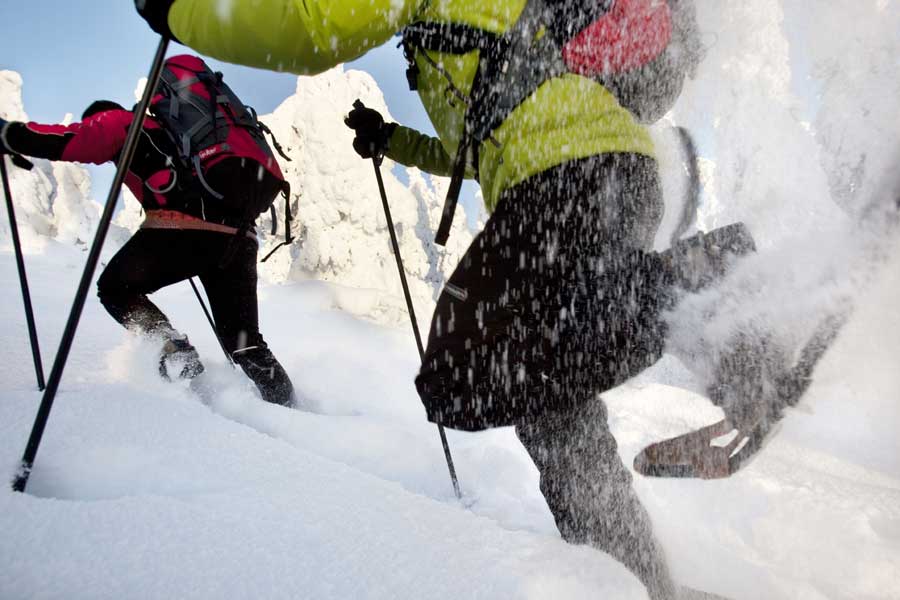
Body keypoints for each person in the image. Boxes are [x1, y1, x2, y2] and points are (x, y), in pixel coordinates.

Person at [133, 2, 744, 598]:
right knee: (546, 404)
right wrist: (391, 138)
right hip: (588, 174)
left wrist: (181, 11)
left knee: (465, 371)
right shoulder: (455, 36)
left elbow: (308, 26)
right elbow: (479, 152)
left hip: (571, 175)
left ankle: (719, 279)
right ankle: (636, 582)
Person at [0, 79, 296, 407]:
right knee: (245, 343)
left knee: (115, 288)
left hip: (185, 231)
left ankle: (172, 347)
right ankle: (292, 413)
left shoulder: (122, 122)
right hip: (240, 238)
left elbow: (75, 139)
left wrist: (11, 134)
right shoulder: (174, 137)